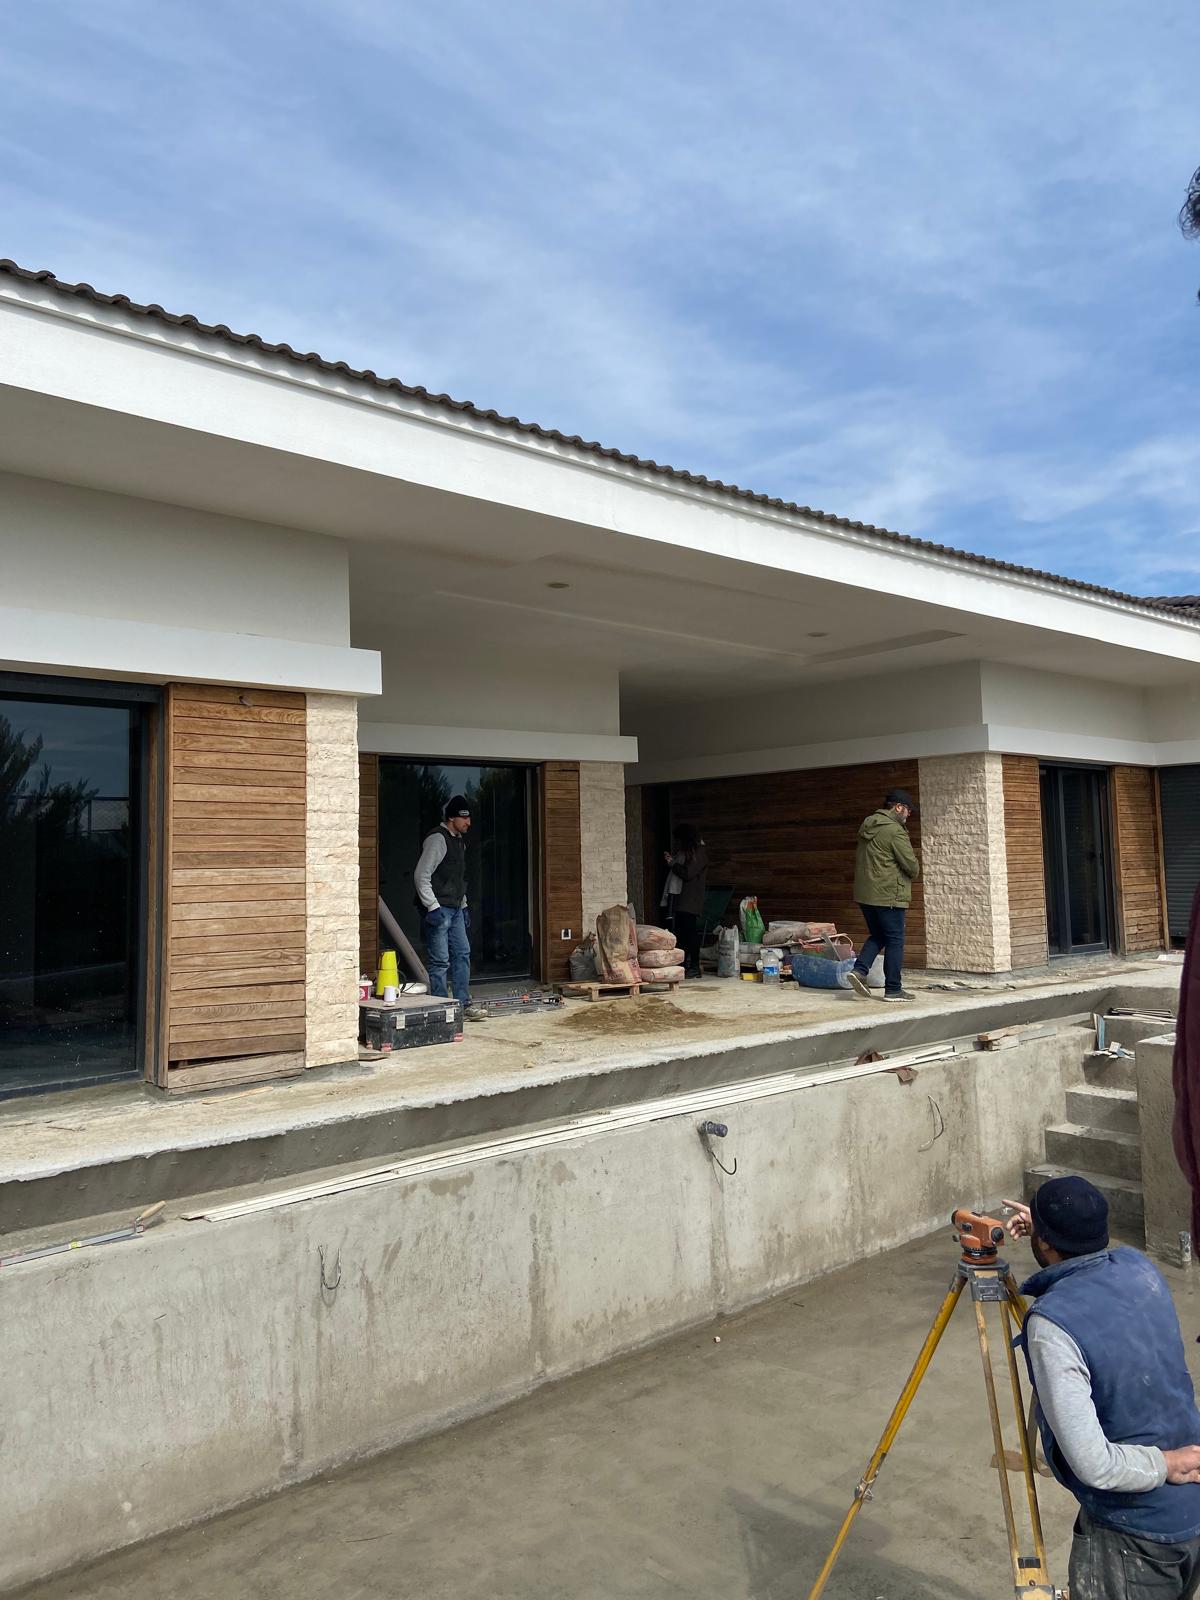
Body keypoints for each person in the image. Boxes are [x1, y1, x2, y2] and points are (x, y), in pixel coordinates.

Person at [1003, 1177, 1200, 1598]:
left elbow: (1095, 1465)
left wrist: (1167, 1464)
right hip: (1192, 1509)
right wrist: (1050, 1231)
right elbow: (1081, 1255)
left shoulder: (1052, 1324)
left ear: (1045, 1243)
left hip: (1136, 1538)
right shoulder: (1139, 1268)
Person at [846, 788, 920, 1003]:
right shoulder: (894, 831)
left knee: (879, 934)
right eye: (908, 810)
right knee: (895, 940)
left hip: (865, 894)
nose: (909, 814)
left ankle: (859, 970)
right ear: (898, 807)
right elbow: (912, 867)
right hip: (889, 894)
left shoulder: (868, 825)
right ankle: (893, 989)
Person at [413, 794, 478, 1014]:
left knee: (462, 953)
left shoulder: (459, 842)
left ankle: (462, 1003)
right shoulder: (437, 839)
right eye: (464, 818)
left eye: (469, 818)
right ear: (451, 817)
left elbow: (458, 879)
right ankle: (442, 1009)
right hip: (439, 909)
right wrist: (432, 907)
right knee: (440, 961)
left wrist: (464, 905)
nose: (468, 822)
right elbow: (421, 875)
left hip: (456, 907)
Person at [663, 823, 708, 979]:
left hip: (690, 900)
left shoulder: (699, 853)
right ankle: (685, 965)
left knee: (690, 933)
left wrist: (672, 864)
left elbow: (688, 873)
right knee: (683, 933)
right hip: (684, 899)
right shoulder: (690, 852)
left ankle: (694, 966)